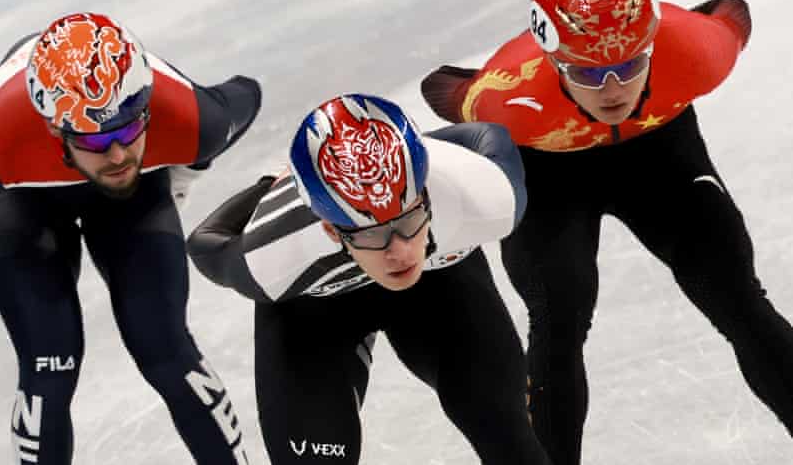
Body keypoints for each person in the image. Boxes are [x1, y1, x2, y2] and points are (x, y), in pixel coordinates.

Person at [420, 0, 793, 465]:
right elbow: (446, 90)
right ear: (551, 60)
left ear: (652, 46)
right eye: (590, 74)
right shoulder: (508, 99)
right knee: (558, 318)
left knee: (738, 299)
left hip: (660, 155)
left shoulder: (696, 54)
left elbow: (729, 15)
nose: (613, 88)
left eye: (629, 64)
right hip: (549, 170)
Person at [0, 12, 259, 464]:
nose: (116, 155)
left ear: (146, 110)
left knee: (164, 345)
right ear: (54, 128)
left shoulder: (192, 118)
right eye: (94, 141)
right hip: (24, 200)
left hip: (133, 200)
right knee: (51, 362)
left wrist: (188, 168)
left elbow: (247, 92)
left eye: (129, 130)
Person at [188, 93, 552, 464]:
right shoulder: (275, 254)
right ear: (331, 230)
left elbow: (490, 136)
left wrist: (425, 150)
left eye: (407, 221)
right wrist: (269, 185)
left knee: (507, 433)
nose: (399, 251)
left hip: (439, 288)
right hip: (313, 310)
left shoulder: (479, 197)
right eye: (370, 233)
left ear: (425, 195)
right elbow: (205, 244)